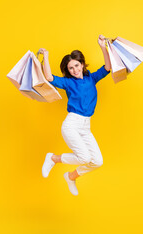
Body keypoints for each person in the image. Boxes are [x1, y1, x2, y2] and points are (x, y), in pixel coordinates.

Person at [38, 35, 111, 196]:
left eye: (77, 65)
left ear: (82, 64)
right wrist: (47, 56)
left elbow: (108, 67)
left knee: (97, 161)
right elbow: (49, 78)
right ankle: (53, 158)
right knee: (84, 157)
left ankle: (71, 177)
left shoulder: (91, 78)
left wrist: (102, 46)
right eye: (71, 68)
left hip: (86, 126)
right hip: (72, 124)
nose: (75, 70)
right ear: (68, 71)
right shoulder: (68, 82)